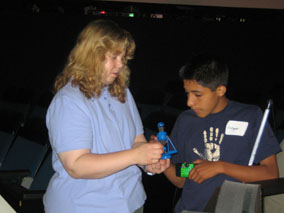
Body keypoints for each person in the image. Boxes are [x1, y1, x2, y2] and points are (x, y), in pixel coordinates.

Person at [43, 19, 170, 213]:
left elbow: (137, 141)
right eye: (114, 57)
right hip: (85, 206)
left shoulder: (122, 93)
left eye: (123, 58)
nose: (120, 64)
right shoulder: (69, 101)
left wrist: (149, 162)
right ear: (92, 55)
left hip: (131, 202)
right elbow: (77, 166)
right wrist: (136, 155)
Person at [163, 54, 282, 212]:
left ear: (220, 90)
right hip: (191, 209)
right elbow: (181, 180)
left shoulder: (250, 116)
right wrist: (163, 163)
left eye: (197, 95)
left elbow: (270, 173)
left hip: (235, 207)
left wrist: (220, 167)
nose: (189, 102)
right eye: (187, 93)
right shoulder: (185, 120)